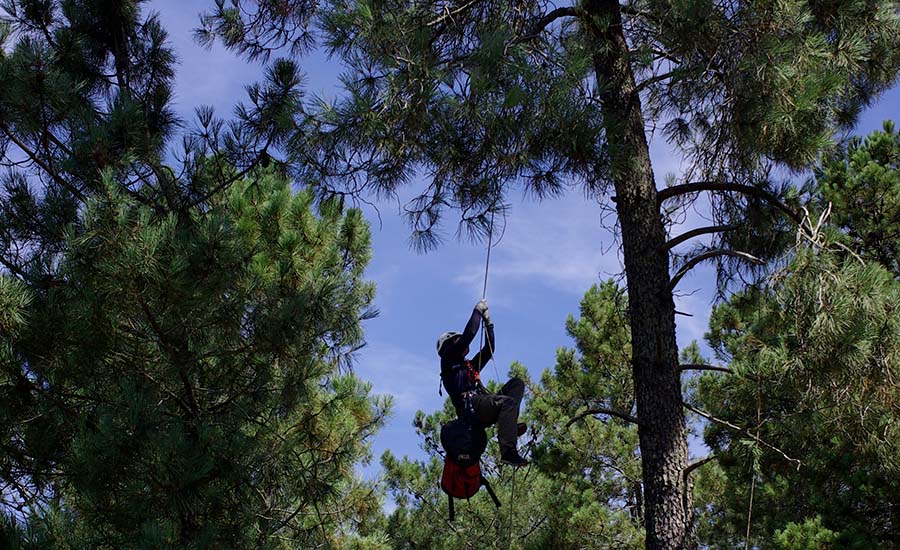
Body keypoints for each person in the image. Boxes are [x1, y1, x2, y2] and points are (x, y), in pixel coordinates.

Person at [436, 300, 528, 466]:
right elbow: (468, 335)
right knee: (507, 403)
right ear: (449, 345)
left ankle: (509, 425)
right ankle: (508, 451)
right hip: (471, 407)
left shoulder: (468, 366)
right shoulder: (448, 361)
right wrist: (477, 311)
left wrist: (489, 324)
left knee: (516, 384)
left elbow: (489, 349)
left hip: (479, 404)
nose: (459, 344)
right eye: (455, 342)